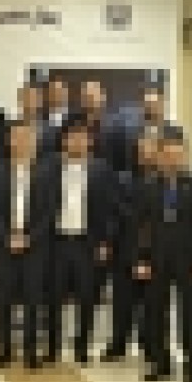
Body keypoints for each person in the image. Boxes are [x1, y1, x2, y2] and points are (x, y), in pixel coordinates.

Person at [132, 136, 192, 382]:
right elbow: (141, 227)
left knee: (191, 313)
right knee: (155, 311)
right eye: (167, 156)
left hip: (189, 259)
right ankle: (160, 362)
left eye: (177, 156)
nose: (172, 161)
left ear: (184, 157)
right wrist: (141, 259)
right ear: (159, 158)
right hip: (157, 258)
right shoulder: (149, 188)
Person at [0, 120, 57, 368]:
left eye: (26, 137)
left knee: (32, 300)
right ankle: (4, 349)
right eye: (16, 137)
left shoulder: (46, 174)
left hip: (34, 246)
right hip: (5, 244)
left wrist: (29, 238)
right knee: (3, 299)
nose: (21, 142)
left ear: (34, 142)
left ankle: (30, 351)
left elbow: (49, 213)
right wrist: (7, 236)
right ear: (9, 141)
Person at [50, 123, 121, 364]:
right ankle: (53, 347)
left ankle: (82, 348)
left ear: (90, 142)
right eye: (72, 138)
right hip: (58, 241)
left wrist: (105, 241)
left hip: (88, 243)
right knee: (55, 297)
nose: (77, 143)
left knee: (87, 297)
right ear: (64, 142)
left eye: (82, 138)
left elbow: (111, 210)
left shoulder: (102, 170)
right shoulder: (51, 167)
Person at [101, 133, 162, 362]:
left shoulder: (165, 181)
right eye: (141, 151)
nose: (146, 155)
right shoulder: (122, 179)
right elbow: (115, 210)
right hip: (125, 247)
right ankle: (118, 343)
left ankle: (150, 344)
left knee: (152, 302)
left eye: (151, 151)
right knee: (122, 301)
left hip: (156, 249)